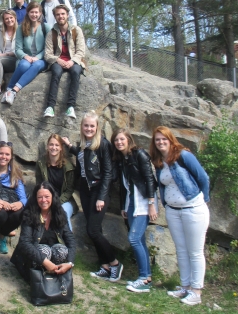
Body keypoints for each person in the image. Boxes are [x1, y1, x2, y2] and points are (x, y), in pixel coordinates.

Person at [150, 126, 210, 306]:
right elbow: (163, 185)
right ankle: (185, 286)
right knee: (181, 250)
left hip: (193, 209)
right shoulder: (160, 161)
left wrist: (204, 199)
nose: (161, 142)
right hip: (173, 211)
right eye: (157, 140)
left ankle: (196, 291)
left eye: (164, 139)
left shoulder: (183, 156)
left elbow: (203, 177)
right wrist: (166, 205)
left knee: (195, 251)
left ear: (170, 140)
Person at [62, 110, 123, 281]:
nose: (89, 128)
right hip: (86, 191)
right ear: (82, 127)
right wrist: (69, 146)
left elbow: (108, 173)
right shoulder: (84, 144)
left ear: (97, 128)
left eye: (92, 126)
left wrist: (102, 197)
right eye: (86, 125)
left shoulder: (103, 144)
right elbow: (83, 157)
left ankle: (115, 263)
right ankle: (104, 266)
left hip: (98, 191)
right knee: (95, 230)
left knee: (93, 230)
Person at [111, 128, 158, 293]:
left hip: (144, 202)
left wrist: (152, 203)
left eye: (122, 139)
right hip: (131, 203)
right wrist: (124, 205)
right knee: (140, 240)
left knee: (133, 239)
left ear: (128, 139)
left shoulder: (140, 154)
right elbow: (125, 186)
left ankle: (143, 278)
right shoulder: (121, 159)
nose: (119, 143)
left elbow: (150, 179)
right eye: (116, 140)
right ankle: (147, 277)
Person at [11, 182, 76, 281]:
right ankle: (38, 277)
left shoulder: (60, 213)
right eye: (40, 197)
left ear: (53, 197)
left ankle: (54, 274)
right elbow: (25, 243)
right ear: (35, 199)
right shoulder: (28, 214)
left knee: (62, 250)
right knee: (45, 251)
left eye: (47, 196)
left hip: (52, 253)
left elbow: (70, 239)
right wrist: (45, 262)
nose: (43, 200)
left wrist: (70, 263)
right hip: (33, 256)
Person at [1, 2, 50, 106]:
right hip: (25, 57)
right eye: (32, 12)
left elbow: (48, 48)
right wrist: (25, 56)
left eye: (36, 12)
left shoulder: (46, 27)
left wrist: (37, 57)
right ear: (27, 13)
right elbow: (18, 49)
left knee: (36, 65)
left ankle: (13, 91)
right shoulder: (21, 27)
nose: (34, 15)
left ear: (40, 13)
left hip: (41, 59)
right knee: (23, 65)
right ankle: (8, 90)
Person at [43, 4, 86, 119]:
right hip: (58, 61)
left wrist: (73, 61)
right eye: (58, 14)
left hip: (73, 61)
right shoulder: (51, 33)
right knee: (56, 73)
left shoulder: (76, 31)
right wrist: (58, 60)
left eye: (63, 14)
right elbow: (47, 54)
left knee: (76, 72)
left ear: (67, 15)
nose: (60, 16)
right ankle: (50, 107)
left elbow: (81, 50)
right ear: (55, 17)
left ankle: (70, 107)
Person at [36, 134, 78, 231]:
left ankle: (69, 244)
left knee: (62, 212)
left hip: (65, 201)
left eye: (57, 145)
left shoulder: (68, 166)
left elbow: (69, 190)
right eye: (51, 144)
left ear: (61, 148)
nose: (53, 147)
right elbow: (39, 185)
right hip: (46, 200)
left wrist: (56, 203)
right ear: (47, 146)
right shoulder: (41, 164)